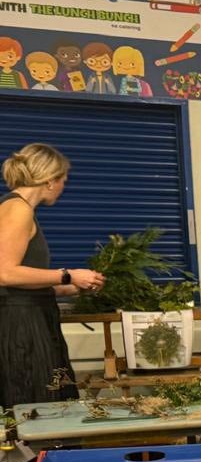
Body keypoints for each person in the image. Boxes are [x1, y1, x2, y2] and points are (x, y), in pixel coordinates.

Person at [0, 144, 106, 406]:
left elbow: (16, 281)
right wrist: (67, 275)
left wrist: (67, 288)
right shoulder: (18, 209)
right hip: (21, 327)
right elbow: (5, 273)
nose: (63, 188)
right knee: (35, 404)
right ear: (49, 181)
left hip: (28, 317)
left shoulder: (15, 207)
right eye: (63, 181)